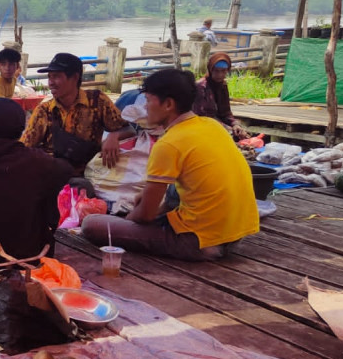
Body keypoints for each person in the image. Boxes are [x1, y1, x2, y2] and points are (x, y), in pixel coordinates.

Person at [81, 69, 259, 261]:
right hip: (235, 235)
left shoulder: (168, 143)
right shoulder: (212, 125)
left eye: (149, 101)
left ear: (168, 104)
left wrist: (127, 221)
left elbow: (145, 215)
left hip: (198, 241)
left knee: (92, 225)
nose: (146, 107)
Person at [0, 98, 73, 266]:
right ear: (20, 133)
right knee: (47, 188)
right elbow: (66, 171)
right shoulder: (39, 162)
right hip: (28, 255)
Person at [21, 53, 134, 176]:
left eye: (56, 76)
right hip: (51, 175)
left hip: (89, 173)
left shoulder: (97, 101)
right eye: (49, 77)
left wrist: (113, 136)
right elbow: (23, 148)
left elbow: (130, 130)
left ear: (75, 77)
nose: (51, 83)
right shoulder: (43, 111)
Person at [193, 52, 250, 140]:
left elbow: (226, 112)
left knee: (241, 134)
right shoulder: (201, 86)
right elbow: (204, 117)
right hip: (201, 125)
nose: (220, 75)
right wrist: (228, 129)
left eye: (223, 71)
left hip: (217, 123)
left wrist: (235, 125)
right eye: (216, 71)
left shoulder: (223, 86)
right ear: (211, 70)